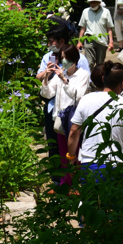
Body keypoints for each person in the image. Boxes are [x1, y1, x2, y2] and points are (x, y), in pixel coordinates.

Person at [67, 62, 123, 174]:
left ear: (103, 79)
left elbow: (74, 131)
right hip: (116, 165)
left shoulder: (86, 100)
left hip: (89, 163)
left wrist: (71, 156)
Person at [37, 24, 91, 163]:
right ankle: (58, 178)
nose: (49, 45)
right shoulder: (49, 57)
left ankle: (74, 177)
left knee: (74, 148)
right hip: (55, 110)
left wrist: (64, 80)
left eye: (51, 42)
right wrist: (46, 76)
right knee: (55, 146)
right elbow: (44, 87)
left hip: (73, 113)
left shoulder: (81, 63)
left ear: (62, 41)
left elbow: (82, 89)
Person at [50, 44, 92, 183]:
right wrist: (45, 76)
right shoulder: (61, 73)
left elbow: (78, 95)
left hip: (75, 121)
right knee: (63, 154)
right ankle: (65, 185)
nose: (63, 61)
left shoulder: (83, 75)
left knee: (75, 154)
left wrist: (64, 80)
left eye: (65, 58)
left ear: (73, 59)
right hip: (61, 119)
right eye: (62, 58)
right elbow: (48, 92)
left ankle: (77, 185)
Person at [77, 0, 114, 69]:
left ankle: (98, 80)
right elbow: (83, 28)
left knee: (100, 64)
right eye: (91, 2)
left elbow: (109, 28)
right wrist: (80, 41)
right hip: (89, 39)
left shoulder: (106, 12)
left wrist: (111, 42)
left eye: (94, 2)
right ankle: (88, 80)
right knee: (89, 63)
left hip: (102, 41)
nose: (92, 4)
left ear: (99, 2)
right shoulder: (85, 11)